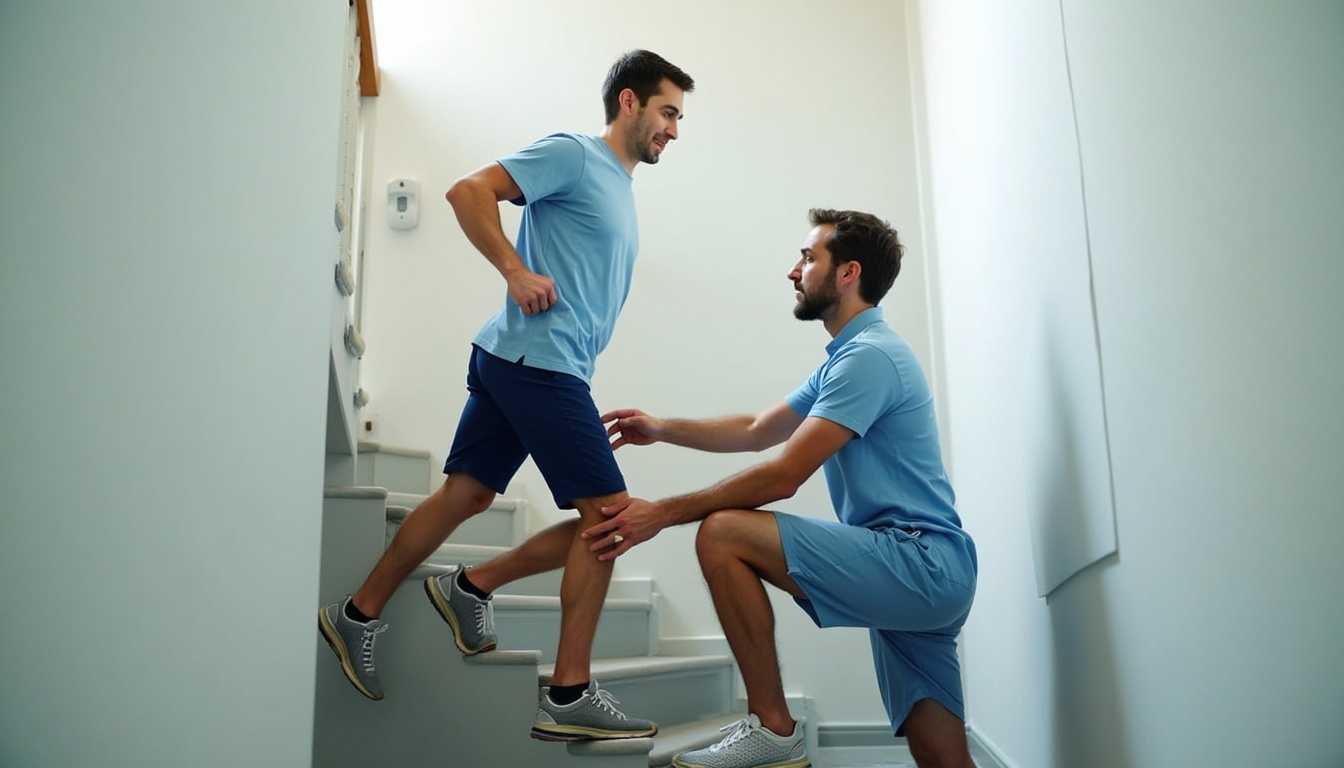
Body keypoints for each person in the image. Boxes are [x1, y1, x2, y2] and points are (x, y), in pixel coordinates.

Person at [318, 49, 695, 743]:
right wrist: (515, 269)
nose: (675, 129)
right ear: (629, 102)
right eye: (669, 112)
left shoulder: (617, 184)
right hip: (537, 364)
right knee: (611, 518)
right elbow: (469, 192)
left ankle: (367, 610)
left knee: (467, 495)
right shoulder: (576, 155)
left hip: (523, 359)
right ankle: (569, 692)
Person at [585, 209, 979, 768]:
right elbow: (755, 430)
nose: (794, 271)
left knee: (722, 534)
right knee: (942, 758)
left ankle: (773, 729)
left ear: (848, 273)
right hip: (931, 572)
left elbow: (783, 476)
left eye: (808, 257)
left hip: (916, 559)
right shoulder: (851, 357)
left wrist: (664, 513)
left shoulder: (869, 359)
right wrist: (661, 429)